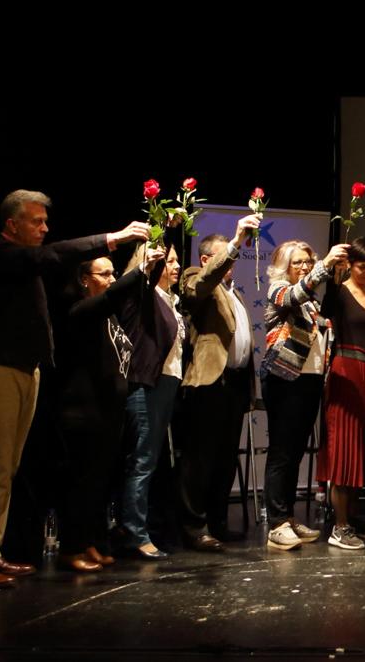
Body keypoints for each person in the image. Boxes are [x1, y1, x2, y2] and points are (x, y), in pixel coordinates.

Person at [0, 190, 147, 587]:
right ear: (12, 224)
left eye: (46, 221)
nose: (44, 228)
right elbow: (52, 256)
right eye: (36, 221)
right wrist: (112, 238)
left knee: (7, 468)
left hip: (26, 370)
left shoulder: (22, 263)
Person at [53, 248, 164, 571]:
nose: (111, 279)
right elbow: (116, 293)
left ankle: (89, 542)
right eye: (104, 274)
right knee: (81, 484)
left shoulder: (109, 316)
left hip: (108, 414)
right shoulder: (81, 310)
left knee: (99, 485)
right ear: (84, 280)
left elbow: (128, 292)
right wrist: (141, 268)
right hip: (83, 413)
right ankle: (70, 549)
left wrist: (163, 245)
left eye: (114, 272)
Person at [173, 214, 262, 553]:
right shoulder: (195, 278)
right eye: (227, 255)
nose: (233, 262)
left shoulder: (232, 292)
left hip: (235, 385)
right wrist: (237, 241)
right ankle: (194, 528)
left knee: (226, 458)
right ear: (207, 258)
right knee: (200, 458)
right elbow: (203, 285)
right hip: (209, 384)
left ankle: (218, 523)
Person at [259, 240, 349, 550]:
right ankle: (277, 523)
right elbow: (295, 295)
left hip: (310, 380)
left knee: (296, 451)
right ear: (285, 267)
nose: (304, 267)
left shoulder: (310, 302)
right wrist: (325, 265)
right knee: (282, 451)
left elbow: (324, 324)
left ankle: (289, 517)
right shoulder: (279, 289)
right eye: (297, 263)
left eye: (307, 262)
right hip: (284, 378)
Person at [320, 237, 365, 551]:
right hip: (346, 372)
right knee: (343, 449)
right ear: (350, 264)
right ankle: (338, 526)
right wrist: (332, 271)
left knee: (363, 449)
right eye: (362, 266)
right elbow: (325, 311)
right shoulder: (339, 293)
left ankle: (351, 518)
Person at [118, 243, 185, 560]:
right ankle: (134, 534)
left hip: (168, 383)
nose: (174, 266)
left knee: (153, 461)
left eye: (176, 260)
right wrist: (166, 229)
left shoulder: (170, 299)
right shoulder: (143, 294)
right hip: (148, 385)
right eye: (168, 260)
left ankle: (143, 527)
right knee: (142, 461)